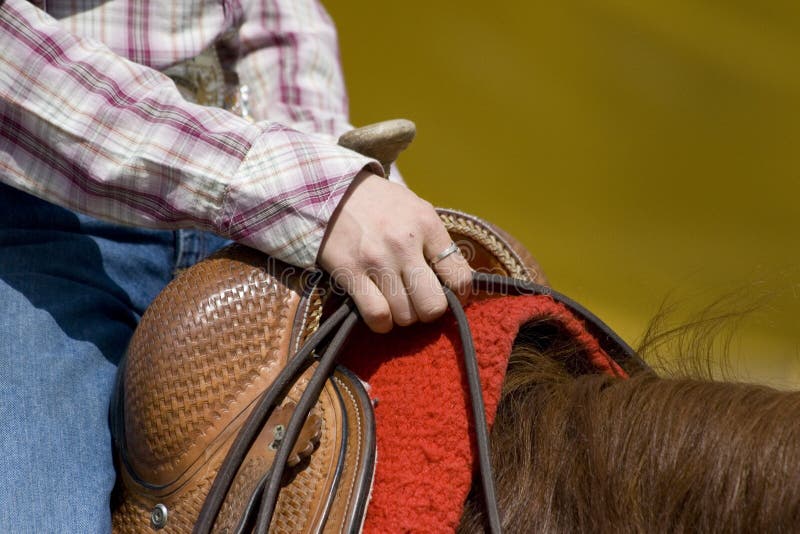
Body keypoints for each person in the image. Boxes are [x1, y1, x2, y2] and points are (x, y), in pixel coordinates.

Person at [0, 0, 472, 531]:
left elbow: (279, 19)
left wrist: (332, 168)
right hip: (32, 206)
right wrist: (304, 193)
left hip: (257, 206)